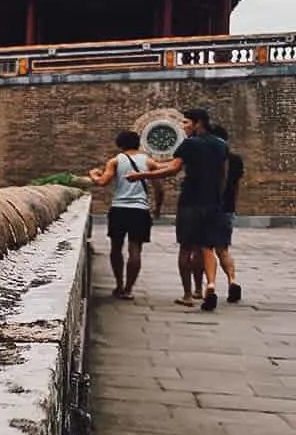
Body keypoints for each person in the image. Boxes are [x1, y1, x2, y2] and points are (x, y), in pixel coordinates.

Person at [127, 108, 228, 311]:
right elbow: (223, 176)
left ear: (198, 123)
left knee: (186, 248)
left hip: (190, 202)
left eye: (186, 123)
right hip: (213, 203)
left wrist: (140, 176)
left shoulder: (190, 144)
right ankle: (205, 287)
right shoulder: (221, 145)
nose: (184, 126)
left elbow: (173, 169)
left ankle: (188, 295)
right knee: (204, 247)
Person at [87, 130, 164, 300]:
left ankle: (119, 285)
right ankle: (129, 289)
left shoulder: (115, 161)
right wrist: (157, 209)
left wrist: (93, 174)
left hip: (119, 209)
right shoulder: (149, 162)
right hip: (140, 210)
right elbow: (159, 189)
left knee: (116, 248)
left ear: (120, 144)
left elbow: (102, 182)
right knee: (135, 249)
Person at [210, 124, 244, 303]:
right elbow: (236, 185)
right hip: (228, 208)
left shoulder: (211, 157)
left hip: (209, 205)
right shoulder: (236, 159)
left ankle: (210, 285)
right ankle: (232, 280)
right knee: (223, 249)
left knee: (206, 248)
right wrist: (233, 205)